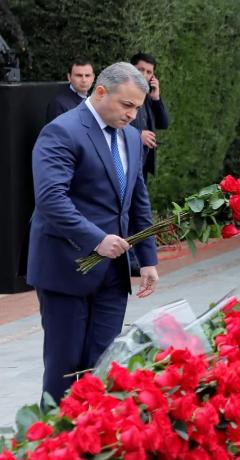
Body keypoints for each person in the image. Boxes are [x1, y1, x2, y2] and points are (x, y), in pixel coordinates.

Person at [27, 62, 159, 403]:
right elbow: (50, 199)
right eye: (126, 105)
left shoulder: (130, 137)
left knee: (103, 366)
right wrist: (96, 240)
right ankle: (52, 448)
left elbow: (137, 201)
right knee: (66, 371)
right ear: (101, 92)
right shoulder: (61, 131)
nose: (132, 115)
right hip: (65, 268)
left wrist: (146, 259)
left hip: (113, 277)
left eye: (138, 109)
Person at [130, 52, 170, 182]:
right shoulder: (118, 92)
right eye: (140, 70)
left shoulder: (147, 95)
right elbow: (109, 123)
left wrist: (156, 98)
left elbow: (163, 124)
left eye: (149, 72)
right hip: (123, 162)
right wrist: (137, 135)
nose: (144, 75)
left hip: (142, 164)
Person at [45, 57, 94, 123]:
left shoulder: (95, 101)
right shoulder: (58, 104)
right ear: (69, 77)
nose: (84, 80)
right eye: (79, 75)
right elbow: (54, 132)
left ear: (93, 77)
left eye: (87, 75)